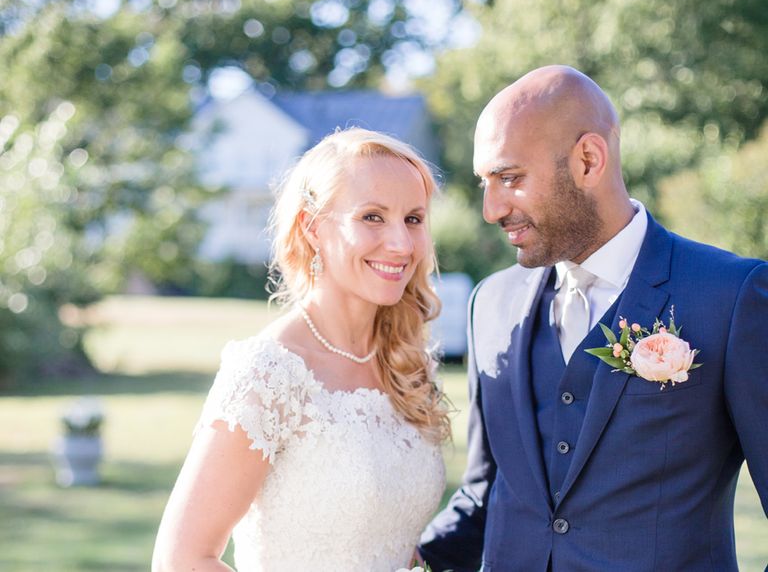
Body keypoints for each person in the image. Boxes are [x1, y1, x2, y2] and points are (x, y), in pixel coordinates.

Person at [419, 65, 768, 571]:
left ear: (588, 159)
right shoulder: (488, 303)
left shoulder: (730, 296)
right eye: (484, 184)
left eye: (510, 178)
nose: (492, 209)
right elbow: (486, 492)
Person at [153, 127, 450, 571]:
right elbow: (182, 559)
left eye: (413, 219)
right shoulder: (269, 372)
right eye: (372, 217)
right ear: (312, 228)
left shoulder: (408, 363)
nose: (401, 244)